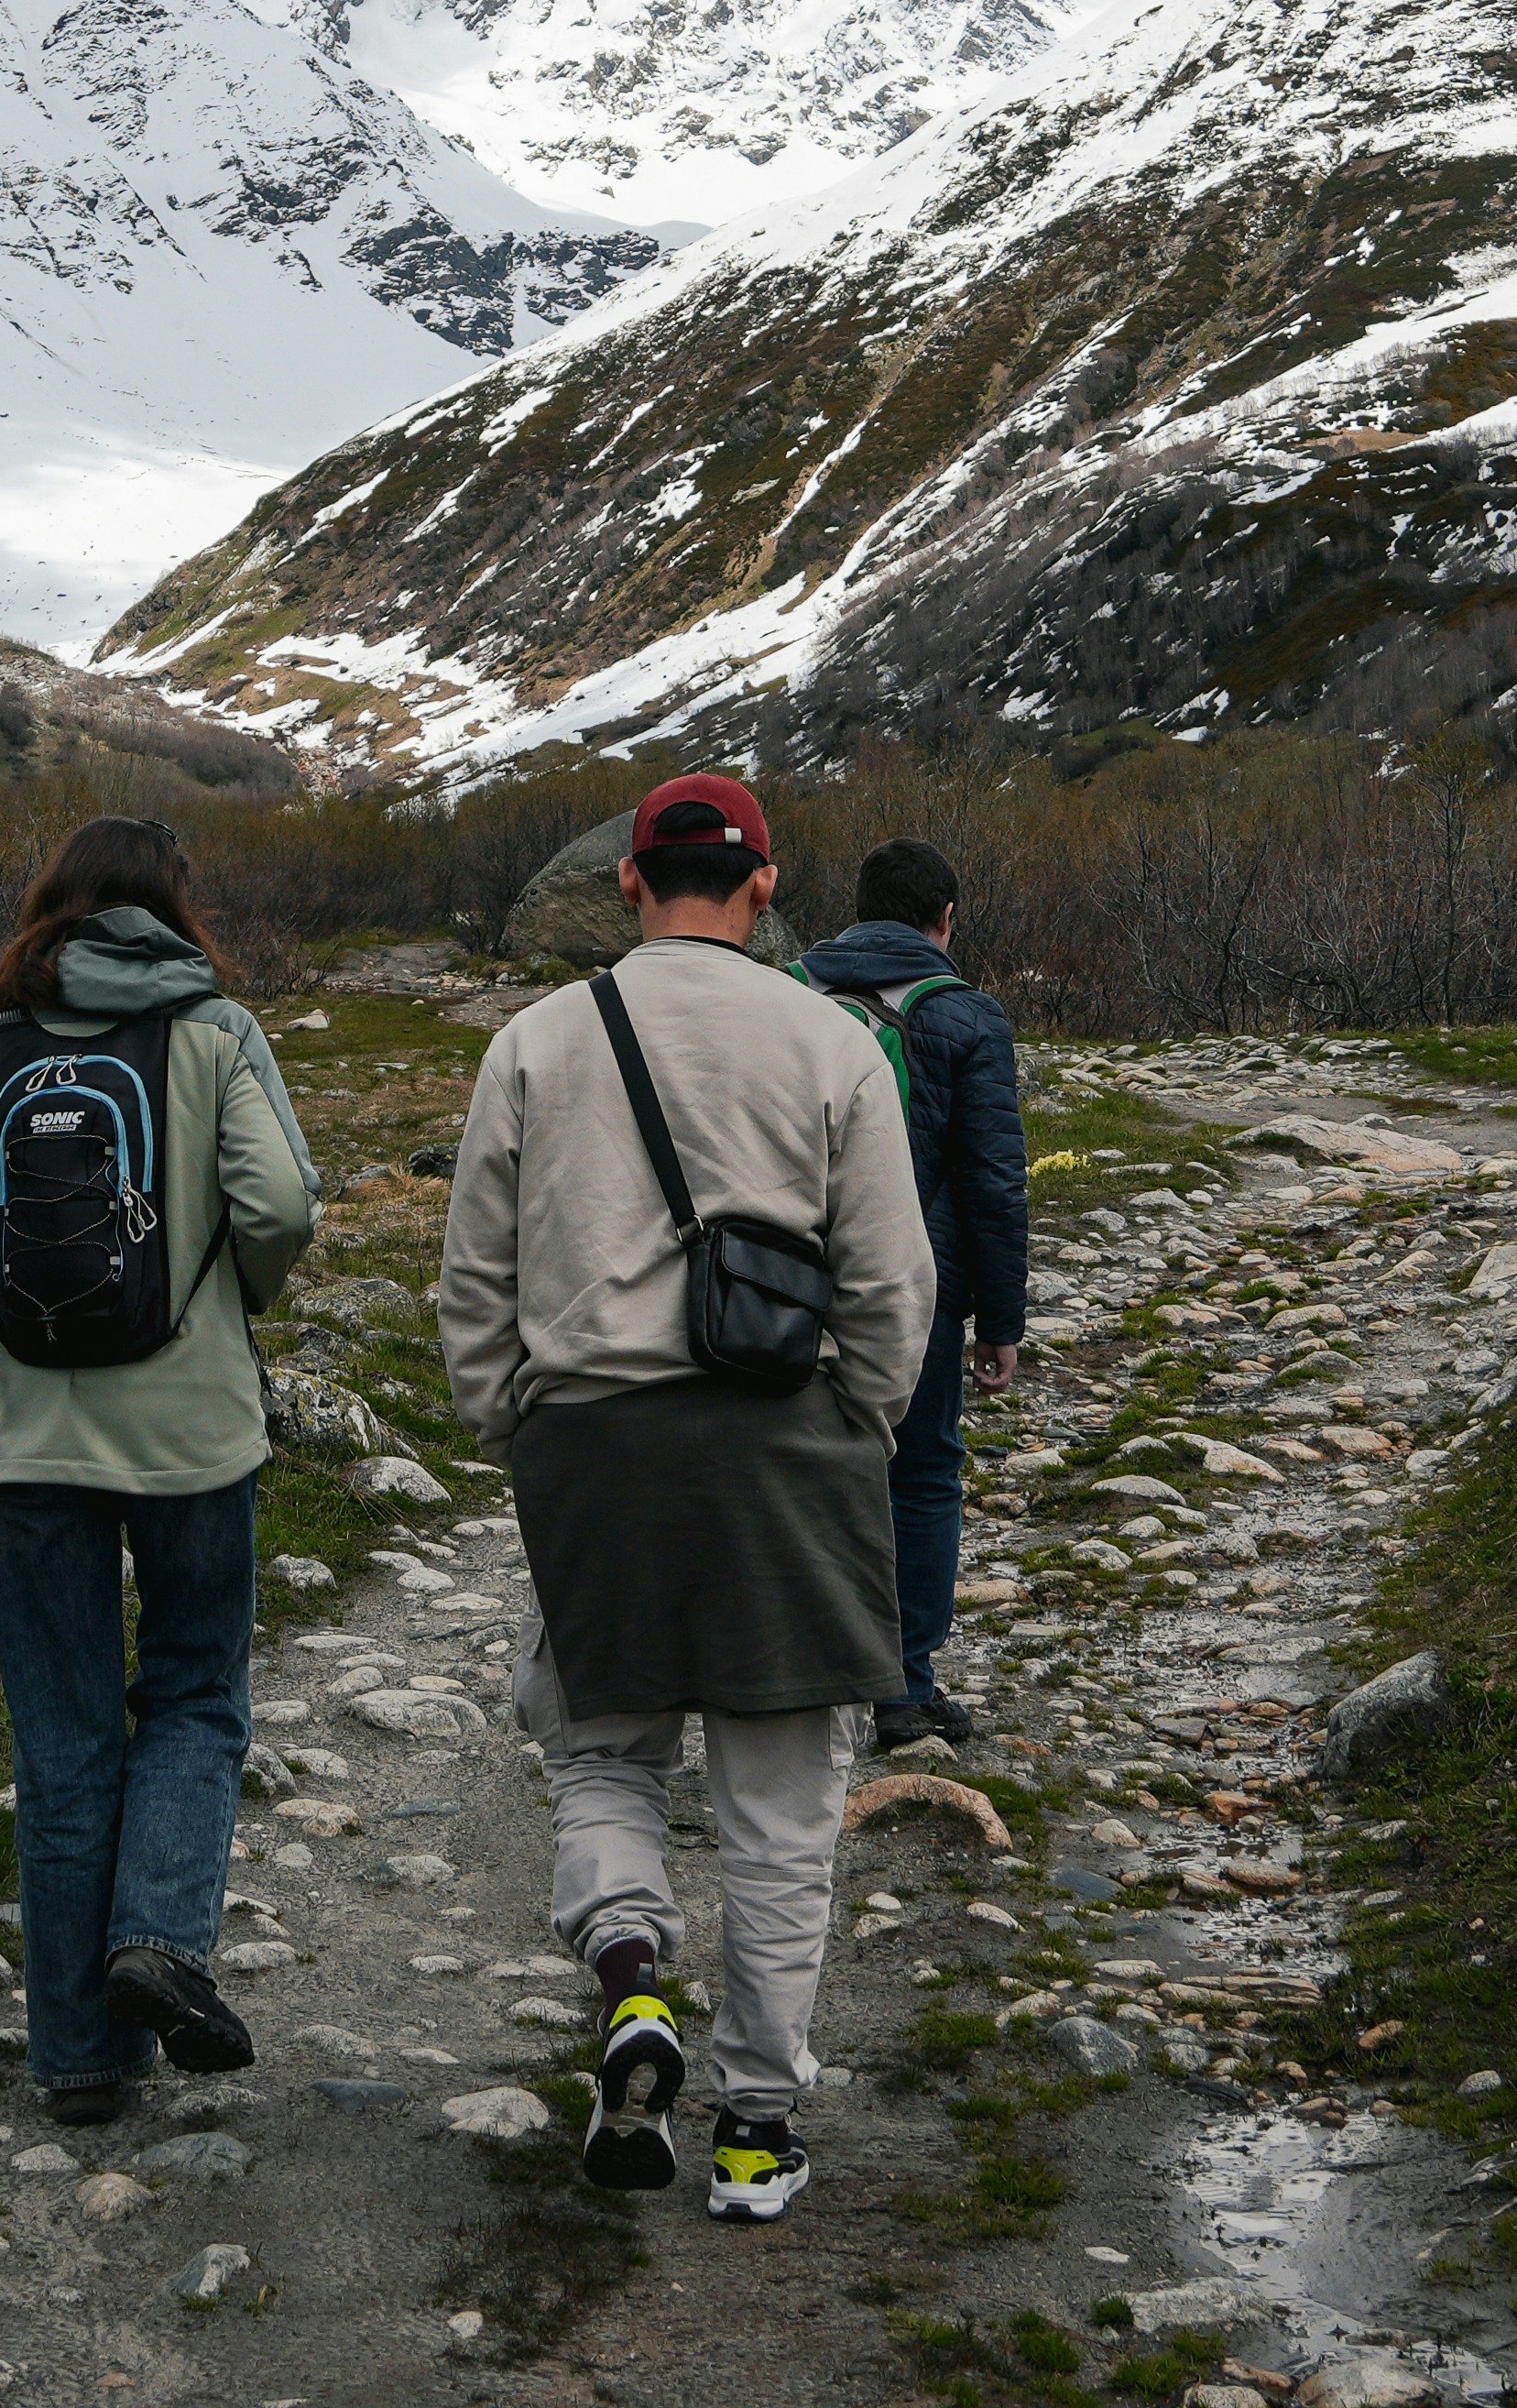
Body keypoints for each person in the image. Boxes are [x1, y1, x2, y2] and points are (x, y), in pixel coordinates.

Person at [440, 772, 933, 2224]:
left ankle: (633, 1981)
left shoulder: (537, 1041)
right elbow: (894, 1281)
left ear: (628, 884)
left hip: (594, 1448)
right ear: (768, 885)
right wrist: (862, 1425)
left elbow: (477, 1277)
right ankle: (755, 2131)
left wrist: (515, 1423)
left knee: (603, 1760)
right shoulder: (835, 1041)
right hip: (792, 1450)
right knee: (781, 1811)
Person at [0, 815, 322, 2128]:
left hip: (29, 1444)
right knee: (194, 1693)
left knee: (64, 1738)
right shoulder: (217, 1032)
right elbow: (283, 1208)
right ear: (172, 910)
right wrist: (224, 1309)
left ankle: (80, 2058)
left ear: (54, 909)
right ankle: (159, 1941)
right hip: (194, 1435)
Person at [798, 839, 1029, 1755]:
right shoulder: (967, 1016)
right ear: (945, 921)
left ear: (857, 909)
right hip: (916, 1285)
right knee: (923, 1471)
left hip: (784, 1279)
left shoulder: (787, 996)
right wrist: (1001, 1321)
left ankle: (799, 1677)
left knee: (801, 1473)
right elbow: (994, 1184)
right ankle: (903, 1691)